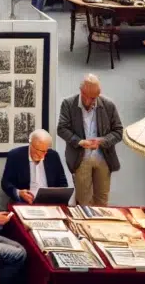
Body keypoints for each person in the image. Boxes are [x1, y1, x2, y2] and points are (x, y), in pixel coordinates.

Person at [57, 74, 124, 206]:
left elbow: (118, 131)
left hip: (103, 159)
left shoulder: (108, 105)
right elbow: (62, 129)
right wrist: (79, 142)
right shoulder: (68, 104)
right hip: (81, 159)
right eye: (92, 98)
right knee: (83, 201)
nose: (95, 101)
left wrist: (102, 141)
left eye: (97, 97)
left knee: (102, 200)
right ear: (82, 93)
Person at [1, 129, 68, 204]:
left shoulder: (53, 156)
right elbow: (6, 183)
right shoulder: (15, 155)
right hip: (24, 202)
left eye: (45, 150)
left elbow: (62, 183)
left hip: (49, 203)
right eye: (39, 150)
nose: (42, 154)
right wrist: (19, 192)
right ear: (31, 144)